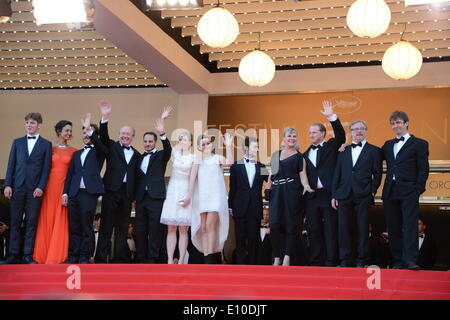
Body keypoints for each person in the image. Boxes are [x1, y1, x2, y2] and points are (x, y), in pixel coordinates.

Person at [1, 113, 52, 265]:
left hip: (34, 190)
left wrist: (41, 187)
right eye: (27, 123)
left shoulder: (46, 144)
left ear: (39, 125)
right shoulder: (17, 142)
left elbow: (46, 169)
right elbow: (11, 165)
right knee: (15, 222)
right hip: (17, 188)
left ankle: (28, 255)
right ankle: (12, 255)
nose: (29, 125)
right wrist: (8, 184)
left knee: (31, 223)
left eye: (32, 123)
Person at [382, 110, 429, 270]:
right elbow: (370, 154)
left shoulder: (420, 143)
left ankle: (410, 260)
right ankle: (397, 261)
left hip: (409, 190)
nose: (396, 126)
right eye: (393, 123)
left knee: (410, 225)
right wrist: (345, 148)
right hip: (390, 190)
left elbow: (423, 168)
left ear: (406, 123)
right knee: (393, 226)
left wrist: (418, 189)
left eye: (398, 122)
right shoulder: (388, 145)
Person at [331, 120, 382, 268]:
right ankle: (345, 260)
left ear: (366, 131)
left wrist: (372, 191)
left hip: (364, 193)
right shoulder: (343, 150)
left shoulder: (374, 150)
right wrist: (334, 194)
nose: (359, 131)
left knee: (363, 228)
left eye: (362, 129)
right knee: (343, 228)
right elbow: (337, 174)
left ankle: (361, 260)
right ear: (351, 132)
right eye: (355, 129)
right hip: (344, 193)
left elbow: (378, 173)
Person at [95, 101, 140, 263]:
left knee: (122, 227)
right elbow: (104, 136)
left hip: (127, 194)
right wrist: (105, 117)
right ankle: (100, 258)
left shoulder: (137, 155)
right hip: (111, 191)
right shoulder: (112, 146)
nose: (125, 136)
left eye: (128, 134)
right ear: (119, 134)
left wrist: (135, 196)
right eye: (122, 133)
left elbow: (138, 177)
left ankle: (120, 258)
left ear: (132, 137)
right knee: (106, 226)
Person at [304, 101, 346, 266]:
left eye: (314, 132)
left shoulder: (330, 147)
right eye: (309, 133)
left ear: (322, 133)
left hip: (329, 195)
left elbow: (341, 136)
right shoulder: (306, 153)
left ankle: (330, 260)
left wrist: (331, 117)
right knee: (313, 230)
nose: (311, 135)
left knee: (330, 229)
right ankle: (316, 261)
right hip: (312, 196)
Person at [62, 113, 106, 264]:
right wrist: (65, 192)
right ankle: (73, 255)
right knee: (74, 226)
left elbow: (101, 146)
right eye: (84, 132)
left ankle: (84, 256)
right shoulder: (77, 153)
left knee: (86, 226)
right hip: (74, 193)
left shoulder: (99, 151)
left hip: (89, 193)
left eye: (89, 132)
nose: (86, 135)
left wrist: (91, 130)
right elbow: (70, 174)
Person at [266, 127, 313, 266]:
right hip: (277, 192)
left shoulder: (300, 157)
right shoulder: (276, 155)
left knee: (292, 224)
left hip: (292, 191)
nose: (292, 138)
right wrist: (268, 189)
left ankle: (287, 256)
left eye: (294, 136)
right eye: (289, 136)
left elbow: (303, 175)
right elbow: (271, 174)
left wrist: (306, 186)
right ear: (284, 138)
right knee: (274, 223)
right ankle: (277, 256)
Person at [184, 133, 233, 264]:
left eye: (208, 143)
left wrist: (228, 145)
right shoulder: (197, 160)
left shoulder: (217, 158)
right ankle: (206, 255)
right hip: (202, 198)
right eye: (203, 144)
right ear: (199, 147)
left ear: (211, 144)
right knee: (203, 227)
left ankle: (210, 259)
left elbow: (230, 162)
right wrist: (188, 196)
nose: (206, 146)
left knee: (210, 226)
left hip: (215, 198)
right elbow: (192, 180)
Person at [33, 120, 77, 264]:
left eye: (70, 131)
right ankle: (42, 255)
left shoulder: (74, 151)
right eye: (67, 130)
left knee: (61, 219)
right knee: (46, 217)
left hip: (64, 189)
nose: (69, 133)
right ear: (59, 131)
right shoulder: (49, 148)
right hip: (49, 188)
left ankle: (56, 255)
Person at [134, 107, 172, 264]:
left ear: (155, 142)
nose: (147, 144)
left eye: (150, 141)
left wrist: (163, 133)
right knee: (140, 229)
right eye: (145, 141)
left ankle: (153, 258)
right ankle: (141, 257)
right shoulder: (139, 157)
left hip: (156, 197)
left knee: (155, 229)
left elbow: (168, 149)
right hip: (141, 198)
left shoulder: (161, 156)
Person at [228, 137, 268, 265]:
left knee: (254, 238)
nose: (256, 149)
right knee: (239, 238)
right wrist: (230, 207)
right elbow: (232, 188)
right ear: (245, 148)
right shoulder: (235, 166)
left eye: (257, 146)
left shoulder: (261, 166)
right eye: (254, 146)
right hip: (239, 207)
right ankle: (240, 267)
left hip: (255, 207)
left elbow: (272, 180)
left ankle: (253, 266)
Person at [160, 129, 194, 264]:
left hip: (185, 190)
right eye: (180, 139)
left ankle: (180, 260)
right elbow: (168, 146)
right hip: (173, 190)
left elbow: (192, 179)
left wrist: (189, 196)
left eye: (185, 139)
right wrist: (163, 132)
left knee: (183, 228)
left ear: (190, 142)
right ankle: (169, 259)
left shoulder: (194, 157)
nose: (182, 142)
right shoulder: (175, 155)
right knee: (171, 227)